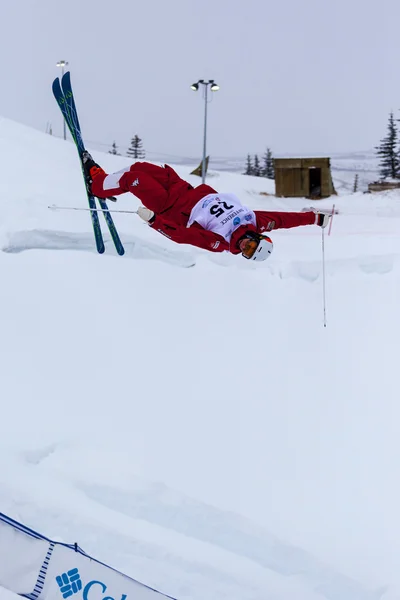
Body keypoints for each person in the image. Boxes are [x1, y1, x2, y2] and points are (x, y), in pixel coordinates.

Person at [81, 152, 331, 261]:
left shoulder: (219, 242)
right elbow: (284, 219)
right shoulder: (256, 221)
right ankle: (103, 181)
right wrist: (313, 218)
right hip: (182, 188)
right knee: (139, 169)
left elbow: (184, 237)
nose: (245, 245)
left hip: (168, 206)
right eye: (252, 244)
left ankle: (96, 186)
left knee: (133, 180)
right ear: (259, 236)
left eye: (247, 251)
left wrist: (155, 222)